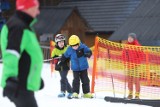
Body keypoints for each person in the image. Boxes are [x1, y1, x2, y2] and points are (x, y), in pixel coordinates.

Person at [0, 0, 44, 107]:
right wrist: (11, 78)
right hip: (19, 84)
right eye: (36, 8)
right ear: (27, 7)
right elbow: (11, 53)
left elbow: (28, 55)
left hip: (24, 83)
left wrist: (35, 77)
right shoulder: (17, 26)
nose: (38, 12)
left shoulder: (24, 26)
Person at [122, 33, 143, 99]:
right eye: (129, 37)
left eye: (131, 38)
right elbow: (123, 55)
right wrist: (125, 62)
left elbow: (141, 56)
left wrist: (136, 62)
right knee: (129, 80)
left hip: (135, 66)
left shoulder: (137, 46)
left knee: (136, 80)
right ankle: (130, 93)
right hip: (128, 66)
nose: (129, 39)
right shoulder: (126, 46)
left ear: (134, 39)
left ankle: (137, 94)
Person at [51, 34, 72, 99]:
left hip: (65, 65)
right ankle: (71, 90)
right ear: (57, 43)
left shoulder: (67, 48)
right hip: (59, 66)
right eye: (60, 42)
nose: (61, 43)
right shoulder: (55, 50)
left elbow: (70, 54)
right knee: (64, 78)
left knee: (63, 78)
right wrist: (56, 58)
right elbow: (53, 57)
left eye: (62, 42)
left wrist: (65, 57)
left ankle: (63, 91)